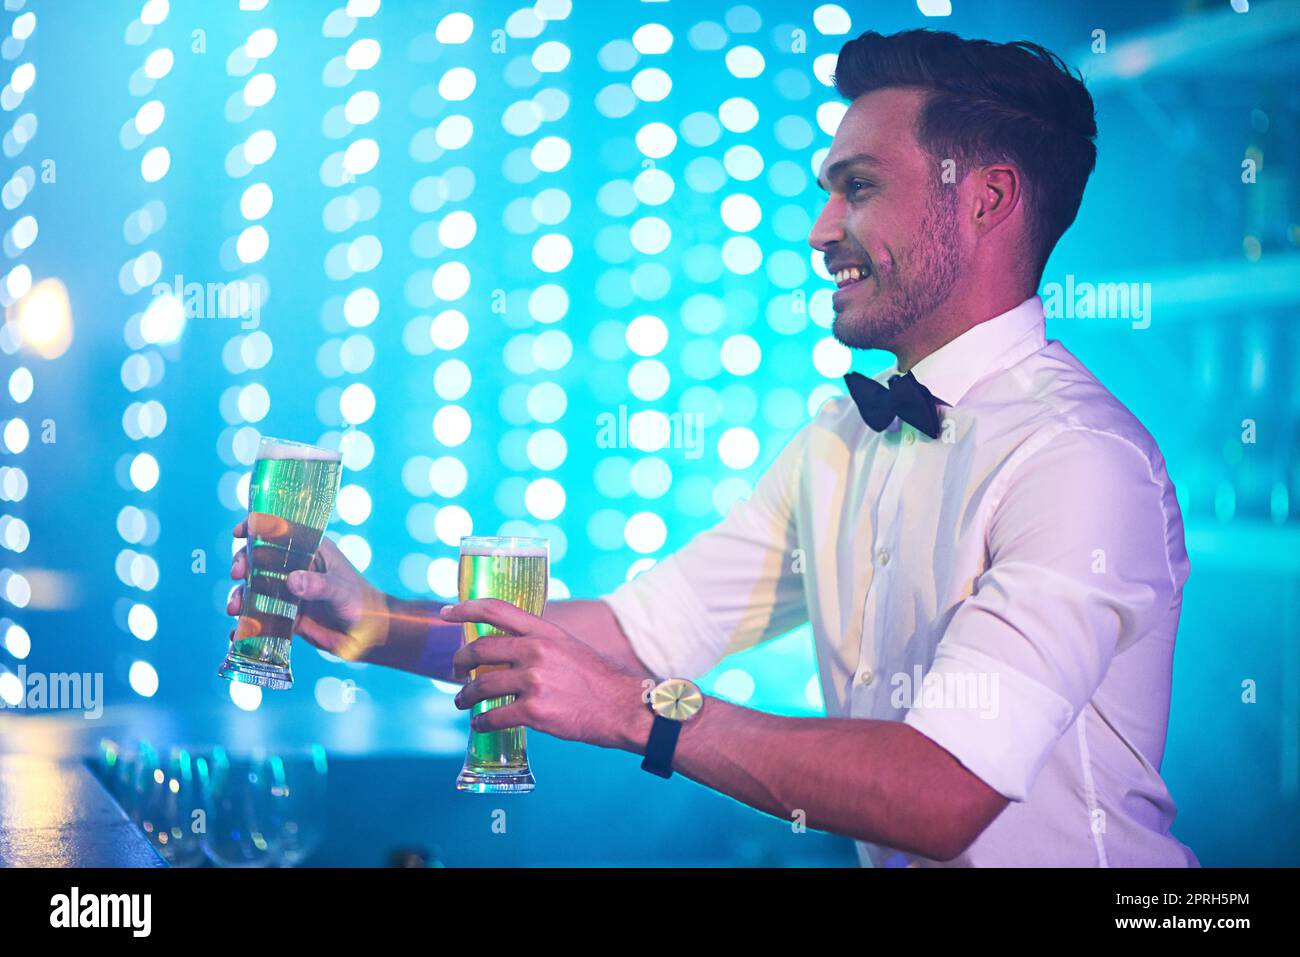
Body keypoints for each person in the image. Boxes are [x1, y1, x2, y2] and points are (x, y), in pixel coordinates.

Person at [228, 29, 1197, 867]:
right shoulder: (838, 444)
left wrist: (631, 711)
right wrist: (368, 620)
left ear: (985, 200)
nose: (823, 231)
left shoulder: (1079, 461)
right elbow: (629, 632)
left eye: (857, 188)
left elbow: (941, 795)